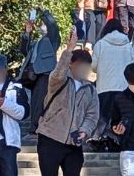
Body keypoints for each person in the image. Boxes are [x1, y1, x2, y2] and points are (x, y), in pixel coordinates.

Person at [37, 30, 99, 176]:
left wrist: (84, 130)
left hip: (74, 143)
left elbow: (92, 115)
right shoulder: (59, 81)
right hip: (50, 138)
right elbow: (58, 73)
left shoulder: (90, 89)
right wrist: (69, 50)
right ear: (71, 64)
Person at [90, 19, 134, 142]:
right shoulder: (127, 44)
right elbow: (133, 65)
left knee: (103, 116)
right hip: (123, 86)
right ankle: (121, 139)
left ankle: (96, 138)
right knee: (121, 116)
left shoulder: (100, 44)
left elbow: (93, 67)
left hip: (105, 85)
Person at [21, 9, 60, 133]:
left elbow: (53, 27)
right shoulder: (37, 42)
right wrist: (28, 32)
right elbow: (24, 50)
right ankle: (35, 125)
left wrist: (44, 13)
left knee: (41, 100)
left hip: (45, 73)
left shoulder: (52, 40)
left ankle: (37, 126)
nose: (42, 26)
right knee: (35, 101)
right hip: (34, 74)